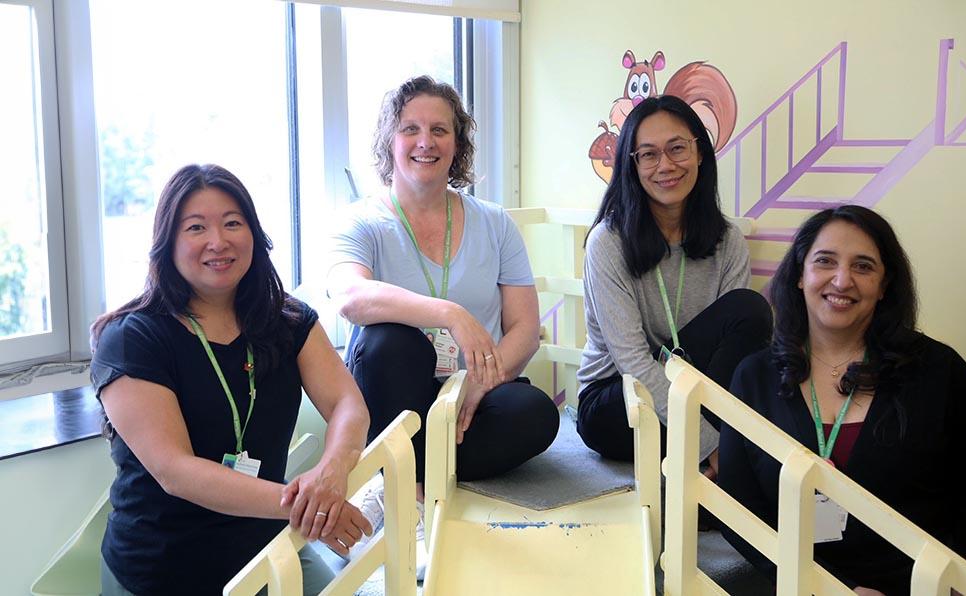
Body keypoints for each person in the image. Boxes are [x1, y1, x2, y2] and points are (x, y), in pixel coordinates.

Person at [90, 164, 373, 595]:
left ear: (254, 236)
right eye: (196, 227)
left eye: (232, 224)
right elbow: (176, 471)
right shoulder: (131, 338)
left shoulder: (288, 320)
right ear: (168, 242)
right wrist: (311, 508)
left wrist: (332, 471)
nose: (217, 242)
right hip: (165, 567)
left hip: (268, 548)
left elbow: (347, 405)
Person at [327, 75, 560, 560]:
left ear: (458, 144)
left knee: (536, 414)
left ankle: (398, 480)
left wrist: (481, 382)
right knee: (390, 340)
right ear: (389, 140)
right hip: (394, 395)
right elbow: (349, 295)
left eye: (440, 129)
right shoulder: (362, 220)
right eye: (410, 128)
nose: (425, 142)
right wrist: (450, 313)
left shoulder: (495, 222)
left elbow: (524, 328)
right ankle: (409, 494)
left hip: (473, 398)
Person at [718, 205, 966, 595]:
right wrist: (831, 587)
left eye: (863, 267)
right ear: (801, 275)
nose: (842, 280)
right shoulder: (753, 377)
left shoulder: (941, 373)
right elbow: (740, 505)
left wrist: (956, 587)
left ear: (885, 285)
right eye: (825, 261)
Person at [576, 95, 772, 471]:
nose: (665, 165)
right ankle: (718, 463)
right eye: (648, 155)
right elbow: (632, 361)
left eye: (677, 148)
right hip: (620, 399)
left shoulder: (727, 240)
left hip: (695, 393)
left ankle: (707, 467)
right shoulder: (609, 242)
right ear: (631, 166)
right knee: (734, 448)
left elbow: (737, 357)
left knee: (749, 311)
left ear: (699, 152)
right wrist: (711, 444)